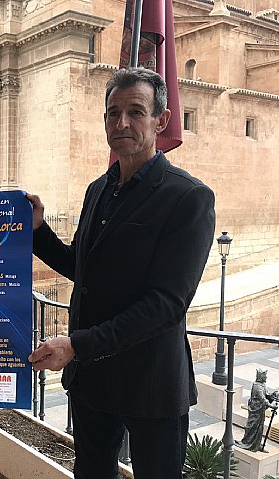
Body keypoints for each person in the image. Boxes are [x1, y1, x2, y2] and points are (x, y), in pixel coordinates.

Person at [26, 67, 215, 478]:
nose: (122, 123)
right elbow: (82, 267)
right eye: (113, 113)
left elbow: (166, 305)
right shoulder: (98, 189)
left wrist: (77, 345)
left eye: (136, 112)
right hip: (93, 381)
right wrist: (38, 231)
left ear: (161, 120)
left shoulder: (188, 197)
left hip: (151, 384)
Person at [235, 369, 278, 452]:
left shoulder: (263, 385)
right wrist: (271, 405)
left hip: (260, 410)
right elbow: (263, 399)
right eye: (265, 376)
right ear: (261, 377)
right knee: (252, 426)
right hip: (255, 410)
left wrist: (274, 395)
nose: (266, 377)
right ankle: (248, 442)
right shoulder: (257, 386)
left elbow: (267, 395)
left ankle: (256, 444)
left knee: (259, 427)